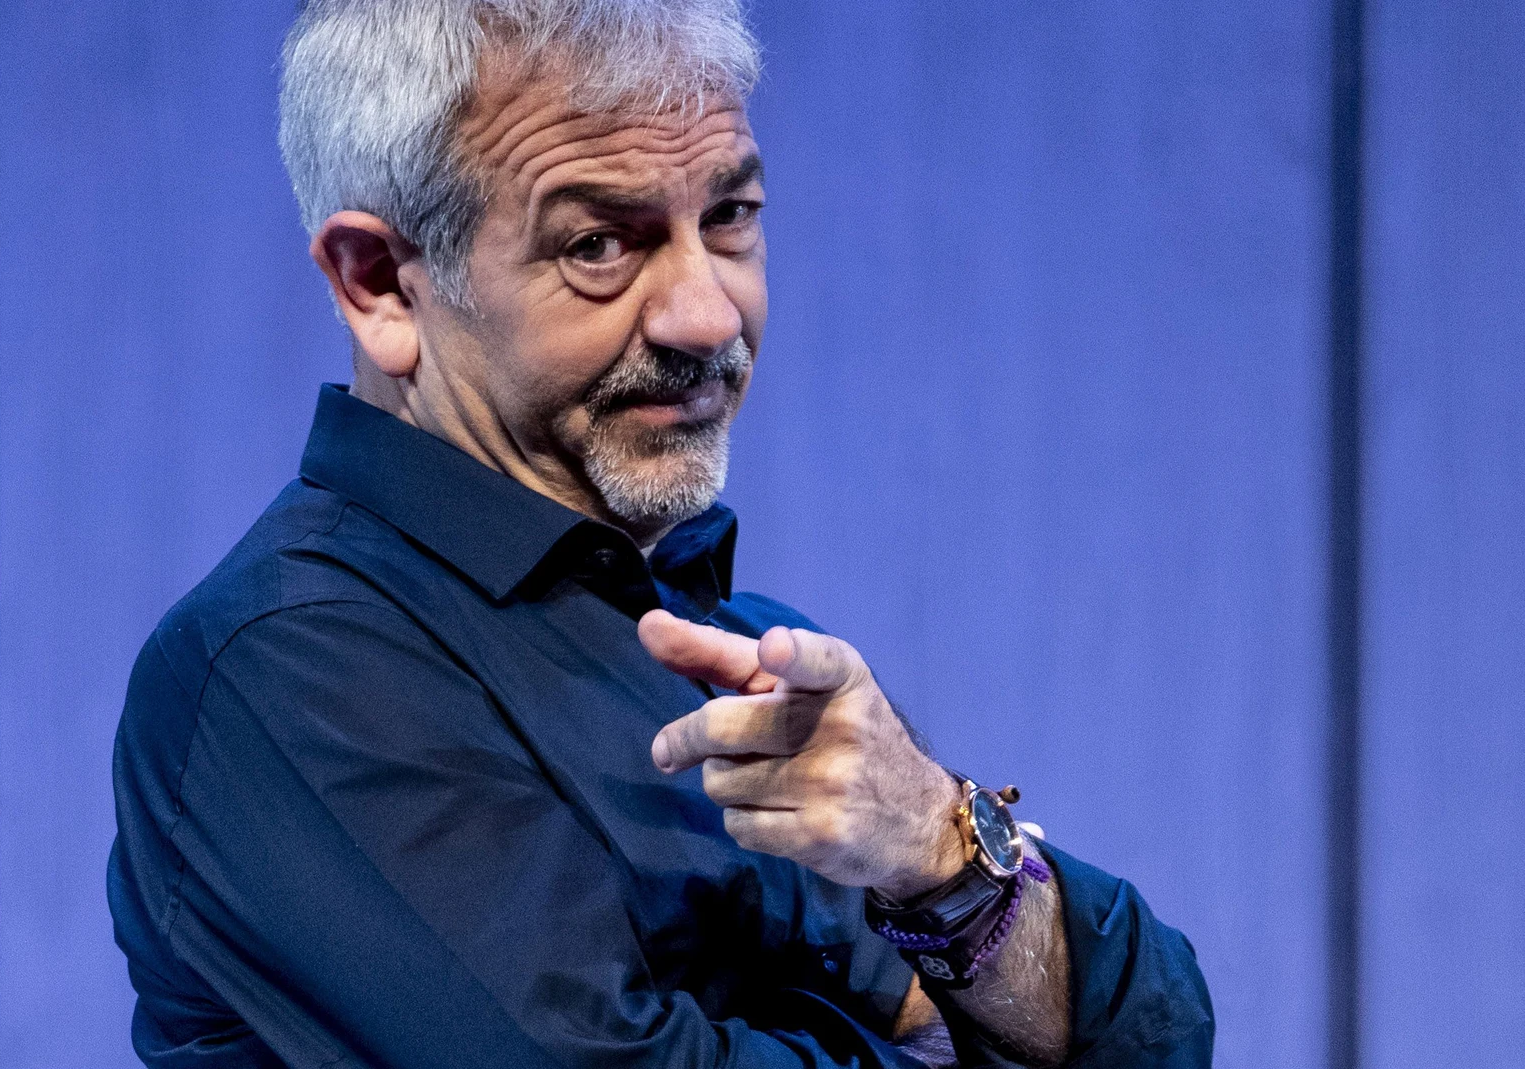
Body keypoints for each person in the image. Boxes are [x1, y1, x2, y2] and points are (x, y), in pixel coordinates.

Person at [108, 1, 1213, 1066]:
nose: (708, 315)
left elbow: (1152, 1035)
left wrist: (934, 841)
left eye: (727, 217)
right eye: (599, 243)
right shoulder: (283, 664)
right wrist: (934, 1034)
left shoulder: (753, 643)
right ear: (384, 283)